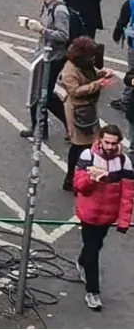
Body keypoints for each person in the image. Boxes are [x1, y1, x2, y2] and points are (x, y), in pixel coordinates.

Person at [71, 122, 133, 310]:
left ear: (119, 143)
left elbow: (128, 195)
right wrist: (91, 179)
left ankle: (81, 262)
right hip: (88, 214)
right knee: (93, 251)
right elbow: (78, 186)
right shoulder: (87, 156)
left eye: (113, 143)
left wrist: (124, 221)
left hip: (107, 216)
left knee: (95, 246)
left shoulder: (124, 161)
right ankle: (93, 291)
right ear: (100, 140)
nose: (110, 147)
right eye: (107, 142)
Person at [22, 0, 76, 139]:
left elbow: (63, 35)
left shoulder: (59, 10)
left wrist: (41, 30)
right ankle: (41, 127)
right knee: (41, 92)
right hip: (44, 56)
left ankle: (43, 128)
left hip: (54, 58)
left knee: (41, 93)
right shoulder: (47, 6)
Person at [62, 38, 118, 189]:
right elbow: (75, 91)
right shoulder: (69, 70)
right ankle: (71, 177)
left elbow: (92, 75)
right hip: (78, 110)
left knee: (87, 143)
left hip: (88, 108)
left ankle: (82, 176)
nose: (93, 59)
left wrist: (102, 74)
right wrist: (98, 84)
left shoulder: (84, 64)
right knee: (79, 144)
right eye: (91, 56)